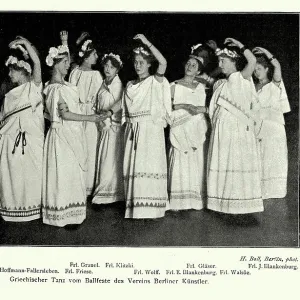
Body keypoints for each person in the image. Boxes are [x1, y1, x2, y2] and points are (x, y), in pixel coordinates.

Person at [42, 43, 101, 227]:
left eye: (68, 61)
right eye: (65, 62)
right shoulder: (54, 88)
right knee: (63, 175)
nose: (69, 65)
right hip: (61, 137)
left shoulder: (65, 85)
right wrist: (90, 117)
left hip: (71, 133)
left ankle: (73, 215)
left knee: (72, 174)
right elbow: (64, 114)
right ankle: (61, 215)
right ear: (56, 64)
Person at [207, 38, 263, 214]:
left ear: (233, 62)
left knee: (236, 163)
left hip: (237, 129)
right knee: (223, 163)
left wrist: (240, 44)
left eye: (223, 61)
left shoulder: (242, 76)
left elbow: (252, 61)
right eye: (219, 61)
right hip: (222, 129)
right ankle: (223, 205)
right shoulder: (220, 83)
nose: (220, 64)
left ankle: (240, 206)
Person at [122, 34, 171, 219]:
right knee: (133, 167)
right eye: (136, 61)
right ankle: (136, 207)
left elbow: (164, 62)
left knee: (149, 166)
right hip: (133, 131)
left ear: (149, 64)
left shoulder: (154, 80)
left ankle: (151, 208)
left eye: (142, 61)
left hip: (150, 131)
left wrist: (146, 42)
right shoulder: (129, 84)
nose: (138, 65)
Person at [0, 37, 44, 221]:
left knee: (30, 178)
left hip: (31, 142)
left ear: (23, 71)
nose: (9, 74)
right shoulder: (9, 95)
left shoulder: (33, 88)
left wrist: (25, 43)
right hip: (10, 145)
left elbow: (37, 62)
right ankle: (13, 211)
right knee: (14, 178)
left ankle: (32, 211)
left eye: (12, 70)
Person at [168, 50, 208, 210]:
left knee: (195, 160)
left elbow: (208, 108)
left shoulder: (201, 87)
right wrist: (184, 106)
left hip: (196, 129)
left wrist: (199, 110)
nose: (190, 66)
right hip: (180, 129)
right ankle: (178, 201)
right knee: (180, 161)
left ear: (199, 70)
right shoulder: (174, 85)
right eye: (188, 64)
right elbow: (167, 107)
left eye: (194, 65)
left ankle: (194, 200)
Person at [67, 31, 103, 196]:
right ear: (87, 55)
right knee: (82, 148)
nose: (97, 56)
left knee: (87, 148)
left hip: (83, 113)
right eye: (94, 53)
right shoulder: (94, 75)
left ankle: (86, 187)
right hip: (83, 113)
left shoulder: (77, 73)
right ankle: (80, 186)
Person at [252, 47, 290, 199]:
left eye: (259, 69)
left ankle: (275, 191)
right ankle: (260, 191)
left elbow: (278, 66)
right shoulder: (252, 87)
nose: (256, 72)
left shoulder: (274, 84)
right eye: (254, 70)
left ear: (267, 69)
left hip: (273, 127)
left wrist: (265, 52)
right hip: (257, 125)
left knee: (273, 158)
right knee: (259, 157)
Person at [92, 53, 124, 205]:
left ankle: (108, 195)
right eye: (106, 66)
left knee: (109, 161)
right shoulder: (103, 83)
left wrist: (109, 118)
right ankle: (104, 193)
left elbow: (120, 106)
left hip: (113, 128)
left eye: (111, 67)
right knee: (104, 160)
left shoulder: (117, 85)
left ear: (117, 70)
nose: (108, 69)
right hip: (102, 127)